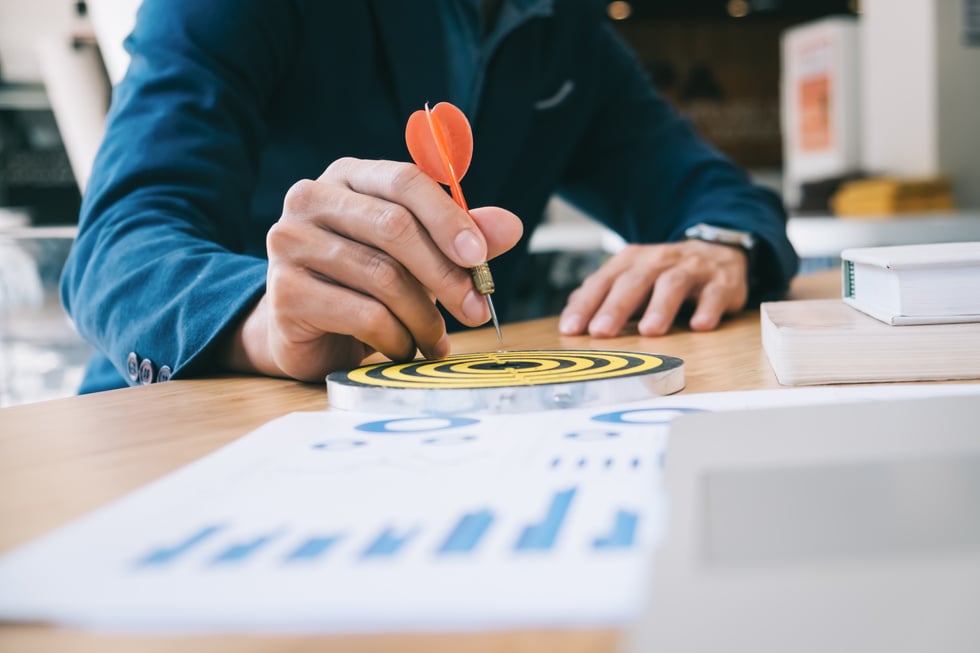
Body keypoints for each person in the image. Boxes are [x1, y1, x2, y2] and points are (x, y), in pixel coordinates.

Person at [61, 0, 799, 393]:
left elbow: (708, 188)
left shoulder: (560, 24)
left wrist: (718, 245)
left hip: (443, 424)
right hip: (190, 427)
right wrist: (267, 321)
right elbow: (118, 247)